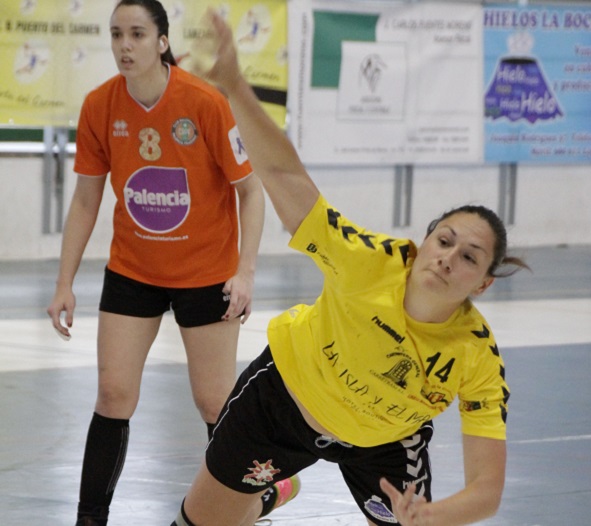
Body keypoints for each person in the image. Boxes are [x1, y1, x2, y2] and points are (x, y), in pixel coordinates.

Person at [171, 12, 530, 526]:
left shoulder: (475, 354)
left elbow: (487, 491)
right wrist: (233, 85)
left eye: (469, 256)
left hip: (383, 442)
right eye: (444, 240)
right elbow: (284, 174)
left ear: (484, 283)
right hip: (284, 403)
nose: (449, 257)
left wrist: (430, 516)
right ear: (423, 243)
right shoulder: (369, 261)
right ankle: (271, 494)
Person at [45, 2, 266, 525]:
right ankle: (90, 518)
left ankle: (248, 508)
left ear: (162, 41)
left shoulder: (204, 102)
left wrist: (244, 272)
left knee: (215, 404)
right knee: (113, 393)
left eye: (138, 34)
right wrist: (63, 282)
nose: (125, 45)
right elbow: (86, 199)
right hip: (134, 271)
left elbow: (251, 192)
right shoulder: (100, 105)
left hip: (206, 274)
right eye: (116, 34)